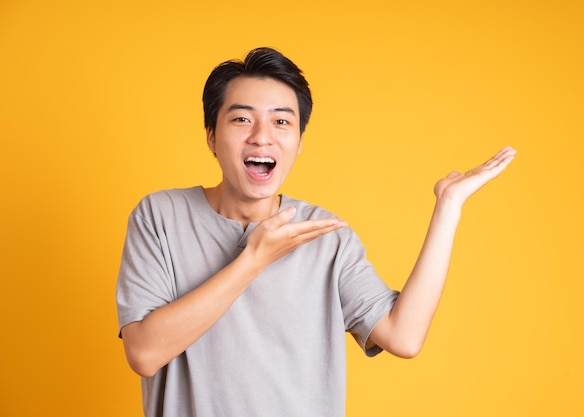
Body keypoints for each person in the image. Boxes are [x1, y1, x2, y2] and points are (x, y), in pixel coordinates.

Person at [116, 47, 516, 417]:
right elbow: (145, 353)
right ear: (212, 137)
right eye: (241, 118)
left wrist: (448, 206)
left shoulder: (325, 236)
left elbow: (404, 337)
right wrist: (254, 259)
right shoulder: (160, 216)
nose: (262, 135)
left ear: (299, 142)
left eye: (281, 121)